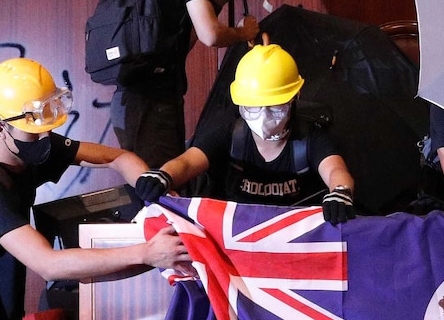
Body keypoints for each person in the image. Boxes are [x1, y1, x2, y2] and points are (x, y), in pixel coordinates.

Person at [0, 58, 193, 320]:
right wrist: (147, 253)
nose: (45, 137)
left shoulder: (28, 148)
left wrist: (157, 194)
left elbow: (119, 158)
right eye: (34, 128)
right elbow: (48, 264)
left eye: (47, 125)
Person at [134, 43, 357, 225]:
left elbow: (335, 169)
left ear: (294, 98)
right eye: (253, 106)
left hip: (291, 234)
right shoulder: (229, 130)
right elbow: (188, 162)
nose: (263, 115)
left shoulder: (310, 136)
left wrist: (340, 192)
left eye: (275, 105)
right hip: (234, 232)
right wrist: (164, 175)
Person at [110, 0, 260, 168]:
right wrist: (244, 32)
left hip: (125, 103)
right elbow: (210, 35)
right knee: (163, 185)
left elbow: (178, 47)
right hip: (156, 103)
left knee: (145, 181)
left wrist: (218, 0)